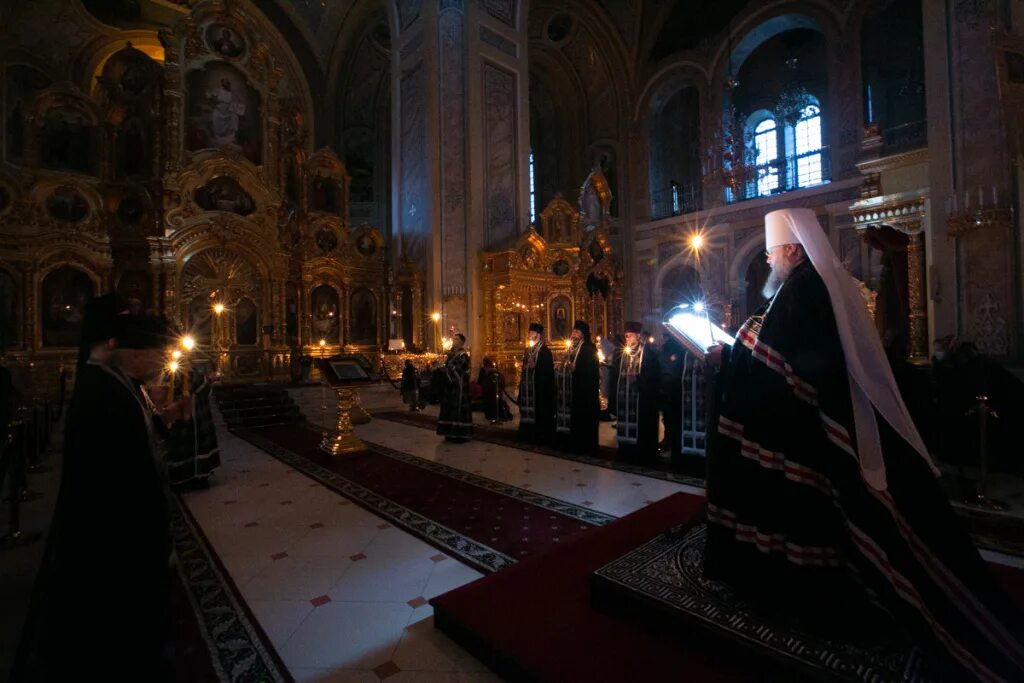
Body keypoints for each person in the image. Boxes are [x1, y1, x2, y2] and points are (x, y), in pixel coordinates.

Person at [704, 208, 1024, 680]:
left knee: (802, 519)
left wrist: (738, 351)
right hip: (792, 431)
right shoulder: (803, 289)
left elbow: (793, 364)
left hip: (798, 435)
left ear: (791, 250)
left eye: (772, 252)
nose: (769, 260)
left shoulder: (804, 291)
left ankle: (797, 595)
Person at [17, 312, 179, 680]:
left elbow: (135, 444)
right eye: (159, 353)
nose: (163, 362)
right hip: (113, 534)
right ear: (130, 351)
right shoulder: (103, 391)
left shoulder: (119, 382)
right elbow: (117, 467)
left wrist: (162, 420)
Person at [610, 322, 661, 461]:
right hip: (624, 398)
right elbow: (615, 373)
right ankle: (625, 450)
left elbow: (654, 376)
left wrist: (638, 380)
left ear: (638, 336)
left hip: (642, 400)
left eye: (630, 336)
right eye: (626, 337)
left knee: (642, 427)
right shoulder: (621, 354)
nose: (627, 339)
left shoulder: (649, 353)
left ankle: (642, 452)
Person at [555, 320, 600, 453]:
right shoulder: (571, 349)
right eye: (573, 331)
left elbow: (591, 371)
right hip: (573, 391)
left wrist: (577, 368)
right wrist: (561, 366)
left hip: (585, 393)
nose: (573, 334)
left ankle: (586, 446)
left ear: (583, 334)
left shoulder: (589, 349)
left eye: (576, 332)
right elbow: (567, 365)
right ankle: (574, 442)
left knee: (585, 420)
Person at [517, 322, 554, 444]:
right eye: (529, 332)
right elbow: (525, 367)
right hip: (528, 387)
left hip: (539, 389)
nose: (529, 334)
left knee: (539, 409)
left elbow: (548, 371)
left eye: (532, 332)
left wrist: (536, 366)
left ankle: (538, 433)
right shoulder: (528, 350)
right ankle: (526, 432)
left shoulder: (545, 351)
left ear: (539, 335)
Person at [436, 333, 472, 442]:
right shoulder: (452, 355)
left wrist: (449, 368)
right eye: (454, 339)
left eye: (456, 339)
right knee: (449, 409)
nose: (454, 341)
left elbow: (460, 370)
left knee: (458, 409)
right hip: (450, 387)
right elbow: (448, 367)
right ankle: (449, 432)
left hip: (459, 387)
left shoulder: (463, 356)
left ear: (461, 342)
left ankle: (459, 433)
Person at [659, 333, 686, 456]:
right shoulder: (679, 348)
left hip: (670, 387)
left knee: (670, 417)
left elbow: (665, 367)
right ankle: (670, 439)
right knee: (671, 417)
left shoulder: (671, 348)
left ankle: (670, 439)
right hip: (673, 387)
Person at [477, 356, 508, 424]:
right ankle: (494, 416)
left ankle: (493, 417)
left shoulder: (486, 371)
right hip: (494, 393)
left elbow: (479, 382)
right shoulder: (495, 371)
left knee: (492, 405)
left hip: (490, 393)